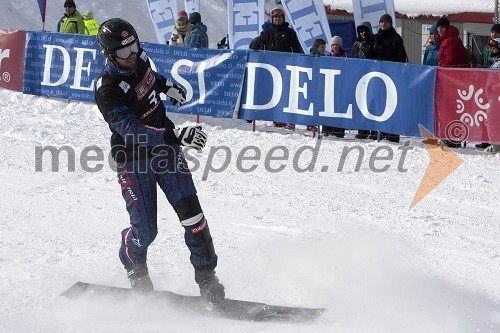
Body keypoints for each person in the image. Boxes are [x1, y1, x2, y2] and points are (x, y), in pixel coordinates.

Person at [94, 18, 225, 305]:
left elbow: (149, 77)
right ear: (108, 54)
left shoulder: (139, 57)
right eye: (123, 52)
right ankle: (132, 262)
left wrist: (166, 87)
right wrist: (176, 135)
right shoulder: (107, 88)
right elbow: (133, 131)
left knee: (194, 217)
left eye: (134, 47)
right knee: (146, 230)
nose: (131, 56)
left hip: (166, 152)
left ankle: (207, 277)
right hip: (133, 159)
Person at [260, 6, 303, 129]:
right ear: (272, 19)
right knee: (274, 94)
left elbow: (297, 51)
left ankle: (289, 120)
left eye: (279, 16)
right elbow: (261, 50)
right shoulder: (267, 33)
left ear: (283, 18)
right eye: (275, 17)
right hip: (271, 69)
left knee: (287, 95)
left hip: (286, 69)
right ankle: (276, 119)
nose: (277, 19)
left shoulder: (290, 33)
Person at [373, 14, 407, 143]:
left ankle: (392, 134)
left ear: (391, 23)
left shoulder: (396, 38)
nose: (383, 24)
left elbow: (397, 56)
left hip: (393, 76)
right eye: (381, 22)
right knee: (380, 104)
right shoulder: (376, 37)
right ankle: (379, 132)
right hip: (379, 75)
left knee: (392, 104)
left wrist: (382, 47)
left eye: (386, 22)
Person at [435, 17, 465, 148]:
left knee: (451, 109)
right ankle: (450, 136)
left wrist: (440, 64)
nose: (439, 30)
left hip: (451, 79)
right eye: (438, 28)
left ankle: (453, 138)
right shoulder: (449, 40)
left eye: (441, 27)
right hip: (452, 79)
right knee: (450, 109)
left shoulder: (450, 41)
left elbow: (451, 60)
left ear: (446, 28)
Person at [350, 22, 376, 140]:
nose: (363, 33)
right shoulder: (356, 44)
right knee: (361, 103)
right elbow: (353, 59)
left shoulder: (374, 42)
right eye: (361, 31)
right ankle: (363, 129)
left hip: (373, 76)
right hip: (360, 77)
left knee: (373, 103)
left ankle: (374, 130)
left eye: (365, 31)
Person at [323, 36, 347, 138]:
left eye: (337, 45)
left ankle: (339, 130)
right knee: (328, 106)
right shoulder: (328, 55)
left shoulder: (344, 55)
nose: (335, 47)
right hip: (329, 83)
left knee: (339, 107)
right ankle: (327, 128)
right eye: (333, 45)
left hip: (340, 84)